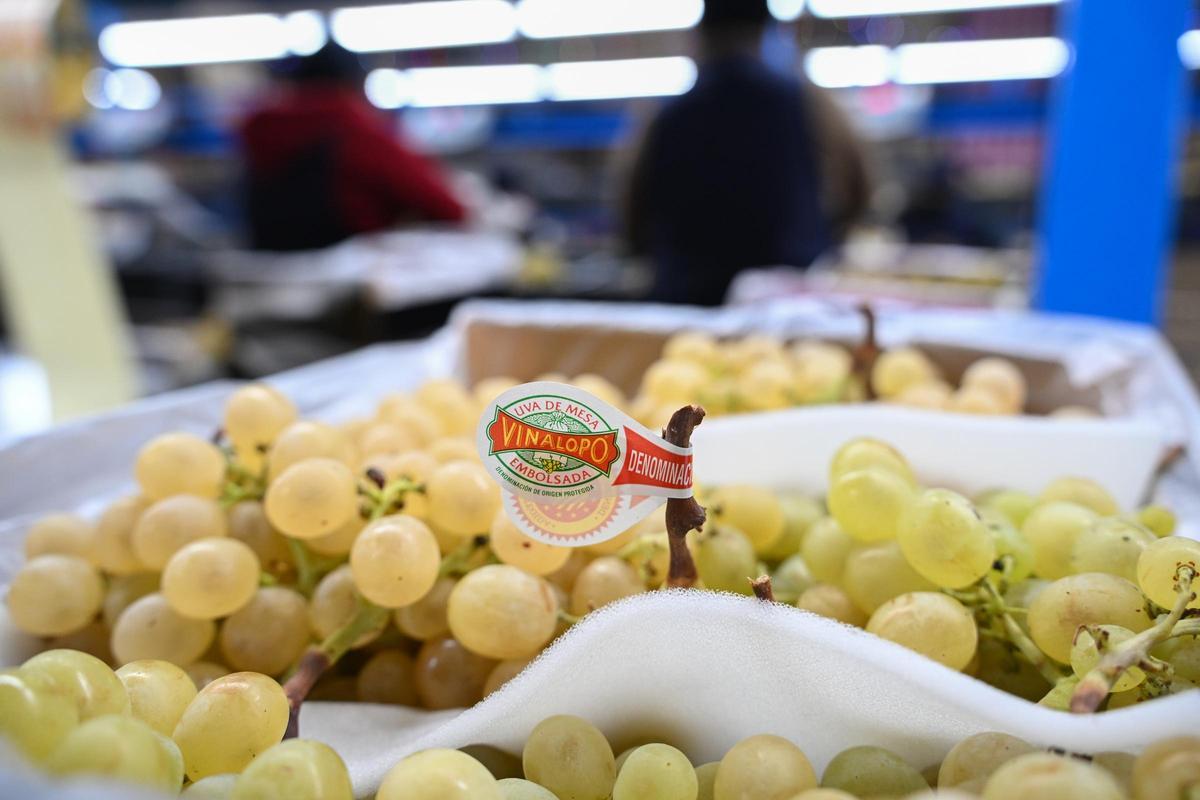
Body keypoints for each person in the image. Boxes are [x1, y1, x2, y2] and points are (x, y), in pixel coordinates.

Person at [623, 0, 867, 305]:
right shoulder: (811, 105)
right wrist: (827, 237)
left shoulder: (666, 115)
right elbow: (857, 187)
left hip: (688, 302)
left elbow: (632, 211)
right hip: (784, 305)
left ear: (702, 34)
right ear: (768, 31)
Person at [239, 43, 466, 251]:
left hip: (265, 273)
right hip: (351, 274)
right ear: (354, 84)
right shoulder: (356, 132)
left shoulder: (264, 130)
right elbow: (448, 208)